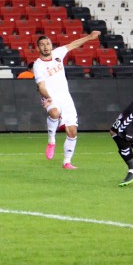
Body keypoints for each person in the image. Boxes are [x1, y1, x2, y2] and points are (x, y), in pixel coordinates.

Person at [33, 31, 101, 170]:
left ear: (51, 46)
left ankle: (67, 162)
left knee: (72, 131)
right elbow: (41, 86)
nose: (45, 47)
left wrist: (89, 37)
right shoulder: (38, 65)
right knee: (54, 112)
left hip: (65, 97)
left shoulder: (58, 53)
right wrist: (48, 97)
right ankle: (51, 140)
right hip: (50, 96)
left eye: (48, 44)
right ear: (37, 48)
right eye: (42, 45)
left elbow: (73, 44)